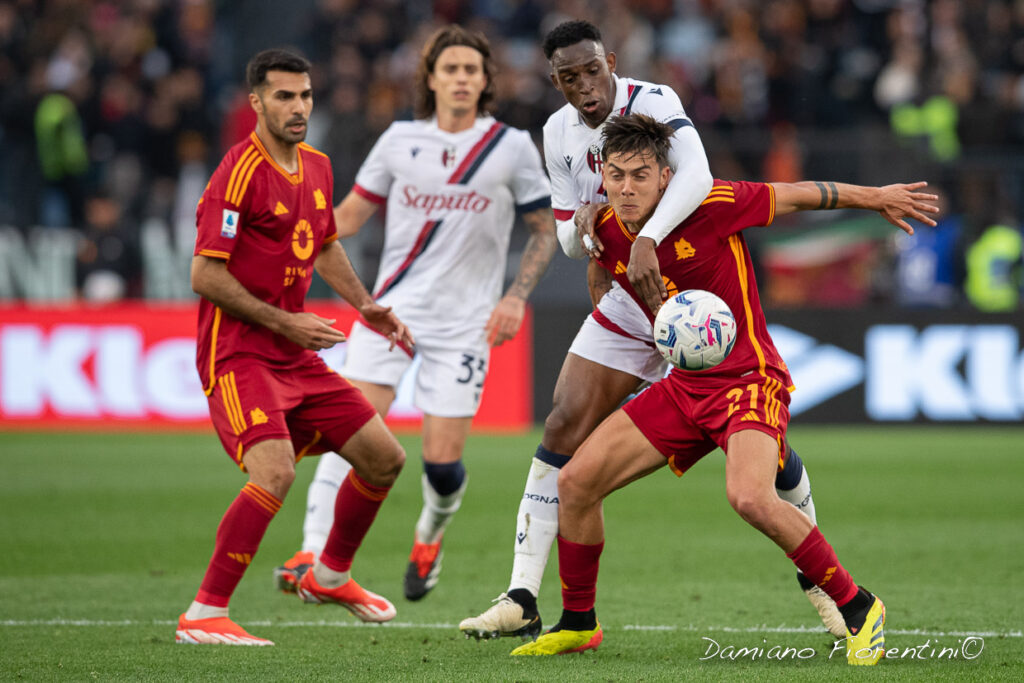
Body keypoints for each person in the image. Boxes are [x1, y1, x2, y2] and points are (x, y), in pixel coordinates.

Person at [509, 114, 940, 664]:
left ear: (666, 177)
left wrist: (874, 197)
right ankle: (578, 622)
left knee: (750, 496)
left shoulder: (710, 203)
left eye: (641, 175)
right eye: (616, 176)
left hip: (748, 379)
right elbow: (600, 269)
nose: (626, 188)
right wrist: (595, 251)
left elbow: (799, 195)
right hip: (684, 386)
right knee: (575, 483)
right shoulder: (610, 230)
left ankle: (859, 607)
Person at [459, 20, 839, 642]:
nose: (583, 87)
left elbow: (695, 176)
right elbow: (561, 235)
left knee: (756, 459)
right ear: (553, 81)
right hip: (627, 302)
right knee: (561, 423)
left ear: (609, 62)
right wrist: (587, 220)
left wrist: (649, 241)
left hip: (691, 299)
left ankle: (820, 583)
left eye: (590, 71)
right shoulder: (556, 133)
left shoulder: (654, 100)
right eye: (567, 78)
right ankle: (525, 593)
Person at [272, 25, 557, 603]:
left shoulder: (510, 146)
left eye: (471, 71)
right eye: (450, 69)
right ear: (430, 78)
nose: (460, 79)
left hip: (466, 325)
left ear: (484, 82)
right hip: (390, 314)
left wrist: (514, 296)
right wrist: (288, 243)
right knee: (346, 430)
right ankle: (310, 549)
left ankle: (431, 531)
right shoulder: (400, 140)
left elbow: (544, 228)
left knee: (441, 468)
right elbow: (347, 215)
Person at [175, 48, 415, 647]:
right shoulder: (238, 170)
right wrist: (289, 324)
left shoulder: (317, 166)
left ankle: (330, 574)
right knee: (275, 472)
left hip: (295, 355)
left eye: (305, 95)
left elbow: (325, 244)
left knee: (385, 459)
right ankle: (204, 614)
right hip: (239, 354)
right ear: (256, 102)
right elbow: (204, 276)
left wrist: (365, 305)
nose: (299, 107)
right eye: (284, 96)